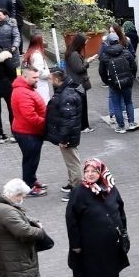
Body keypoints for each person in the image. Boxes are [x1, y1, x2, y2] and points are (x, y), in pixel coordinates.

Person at [66, 159, 130, 277]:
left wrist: (123, 232)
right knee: (90, 275)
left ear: (101, 172)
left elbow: (120, 210)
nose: (89, 175)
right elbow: (71, 220)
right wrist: (75, 244)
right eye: (87, 172)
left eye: (93, 172)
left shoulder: (111, 188)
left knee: (111, 271)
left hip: (111, 242)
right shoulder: (79, 192)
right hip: (89, 245)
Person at [44, 67, 84, 202]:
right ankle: (72, 182)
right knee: (70, 161)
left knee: (73, 162)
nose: (49, 81)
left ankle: (77, 189)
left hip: (68, 136)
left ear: (56, 79)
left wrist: (64, 138)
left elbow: (68, 120)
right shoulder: (65, 90)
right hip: (68, 135)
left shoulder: (66, 95)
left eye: (50, 79)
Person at [10, 65, 48, 197]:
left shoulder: (26, 88)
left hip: (29, 132)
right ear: (25, 77)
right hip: (28, 133)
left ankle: (31, 180)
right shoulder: (22, 93)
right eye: (34, 77)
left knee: (32, 159)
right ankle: (29, 186)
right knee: (30, 160)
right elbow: (31, 117)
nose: (37, 80)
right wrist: (46, 124)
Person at [98, 31, 138, 132]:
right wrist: (132, 77)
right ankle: (132, 123)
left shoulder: (105, 55)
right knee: (128, 102)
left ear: (108, 42)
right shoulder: (125, 52)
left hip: (114, 83)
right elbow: (133, 66)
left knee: (116, 105)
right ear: (118, 41)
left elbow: (101, 71)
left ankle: (121, 127)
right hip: (127, 81)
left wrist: (107, 82)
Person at [64, 33, 94, 133]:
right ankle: (84, 126)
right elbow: (79, 68)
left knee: (79, 105)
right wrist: (88, 61)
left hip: (75, 83)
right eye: (84, 42)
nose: (85, 44)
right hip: (79, 83)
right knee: (82, 105)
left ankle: (82, 126)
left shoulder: (71, 52)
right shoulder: (74, 54)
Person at [23, 35, 52, 102]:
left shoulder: (30, 52)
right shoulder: (37, 55)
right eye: (42, 39)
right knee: (43, 102)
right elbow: (39, 71)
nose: (44, 41)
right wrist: (48, 74)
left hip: (34, 81)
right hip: (40, 84)